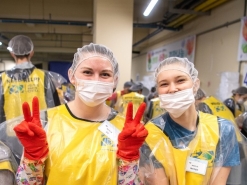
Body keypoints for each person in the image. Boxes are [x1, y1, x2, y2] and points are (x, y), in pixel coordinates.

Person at [12, 43, 148, 185]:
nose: (96, 80)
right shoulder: (47, 122)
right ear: (72, 75)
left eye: (105, 74)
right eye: (87, 72)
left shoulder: (125, 129)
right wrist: (32, 157)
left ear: (115, 80)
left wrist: (130, 159)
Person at [139, 57, 242, 185]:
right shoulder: (150, 133)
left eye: (180, 80)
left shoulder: (222, 129)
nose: (172, 89)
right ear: (158, 90)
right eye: (164, 84)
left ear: (195, 84)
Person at [0, 35, 60, 124]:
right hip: (38, 131)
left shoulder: (2, 79)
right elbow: (55, 109)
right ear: (32, 53)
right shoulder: (45, 77)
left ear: (12, 54)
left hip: (10, 133)